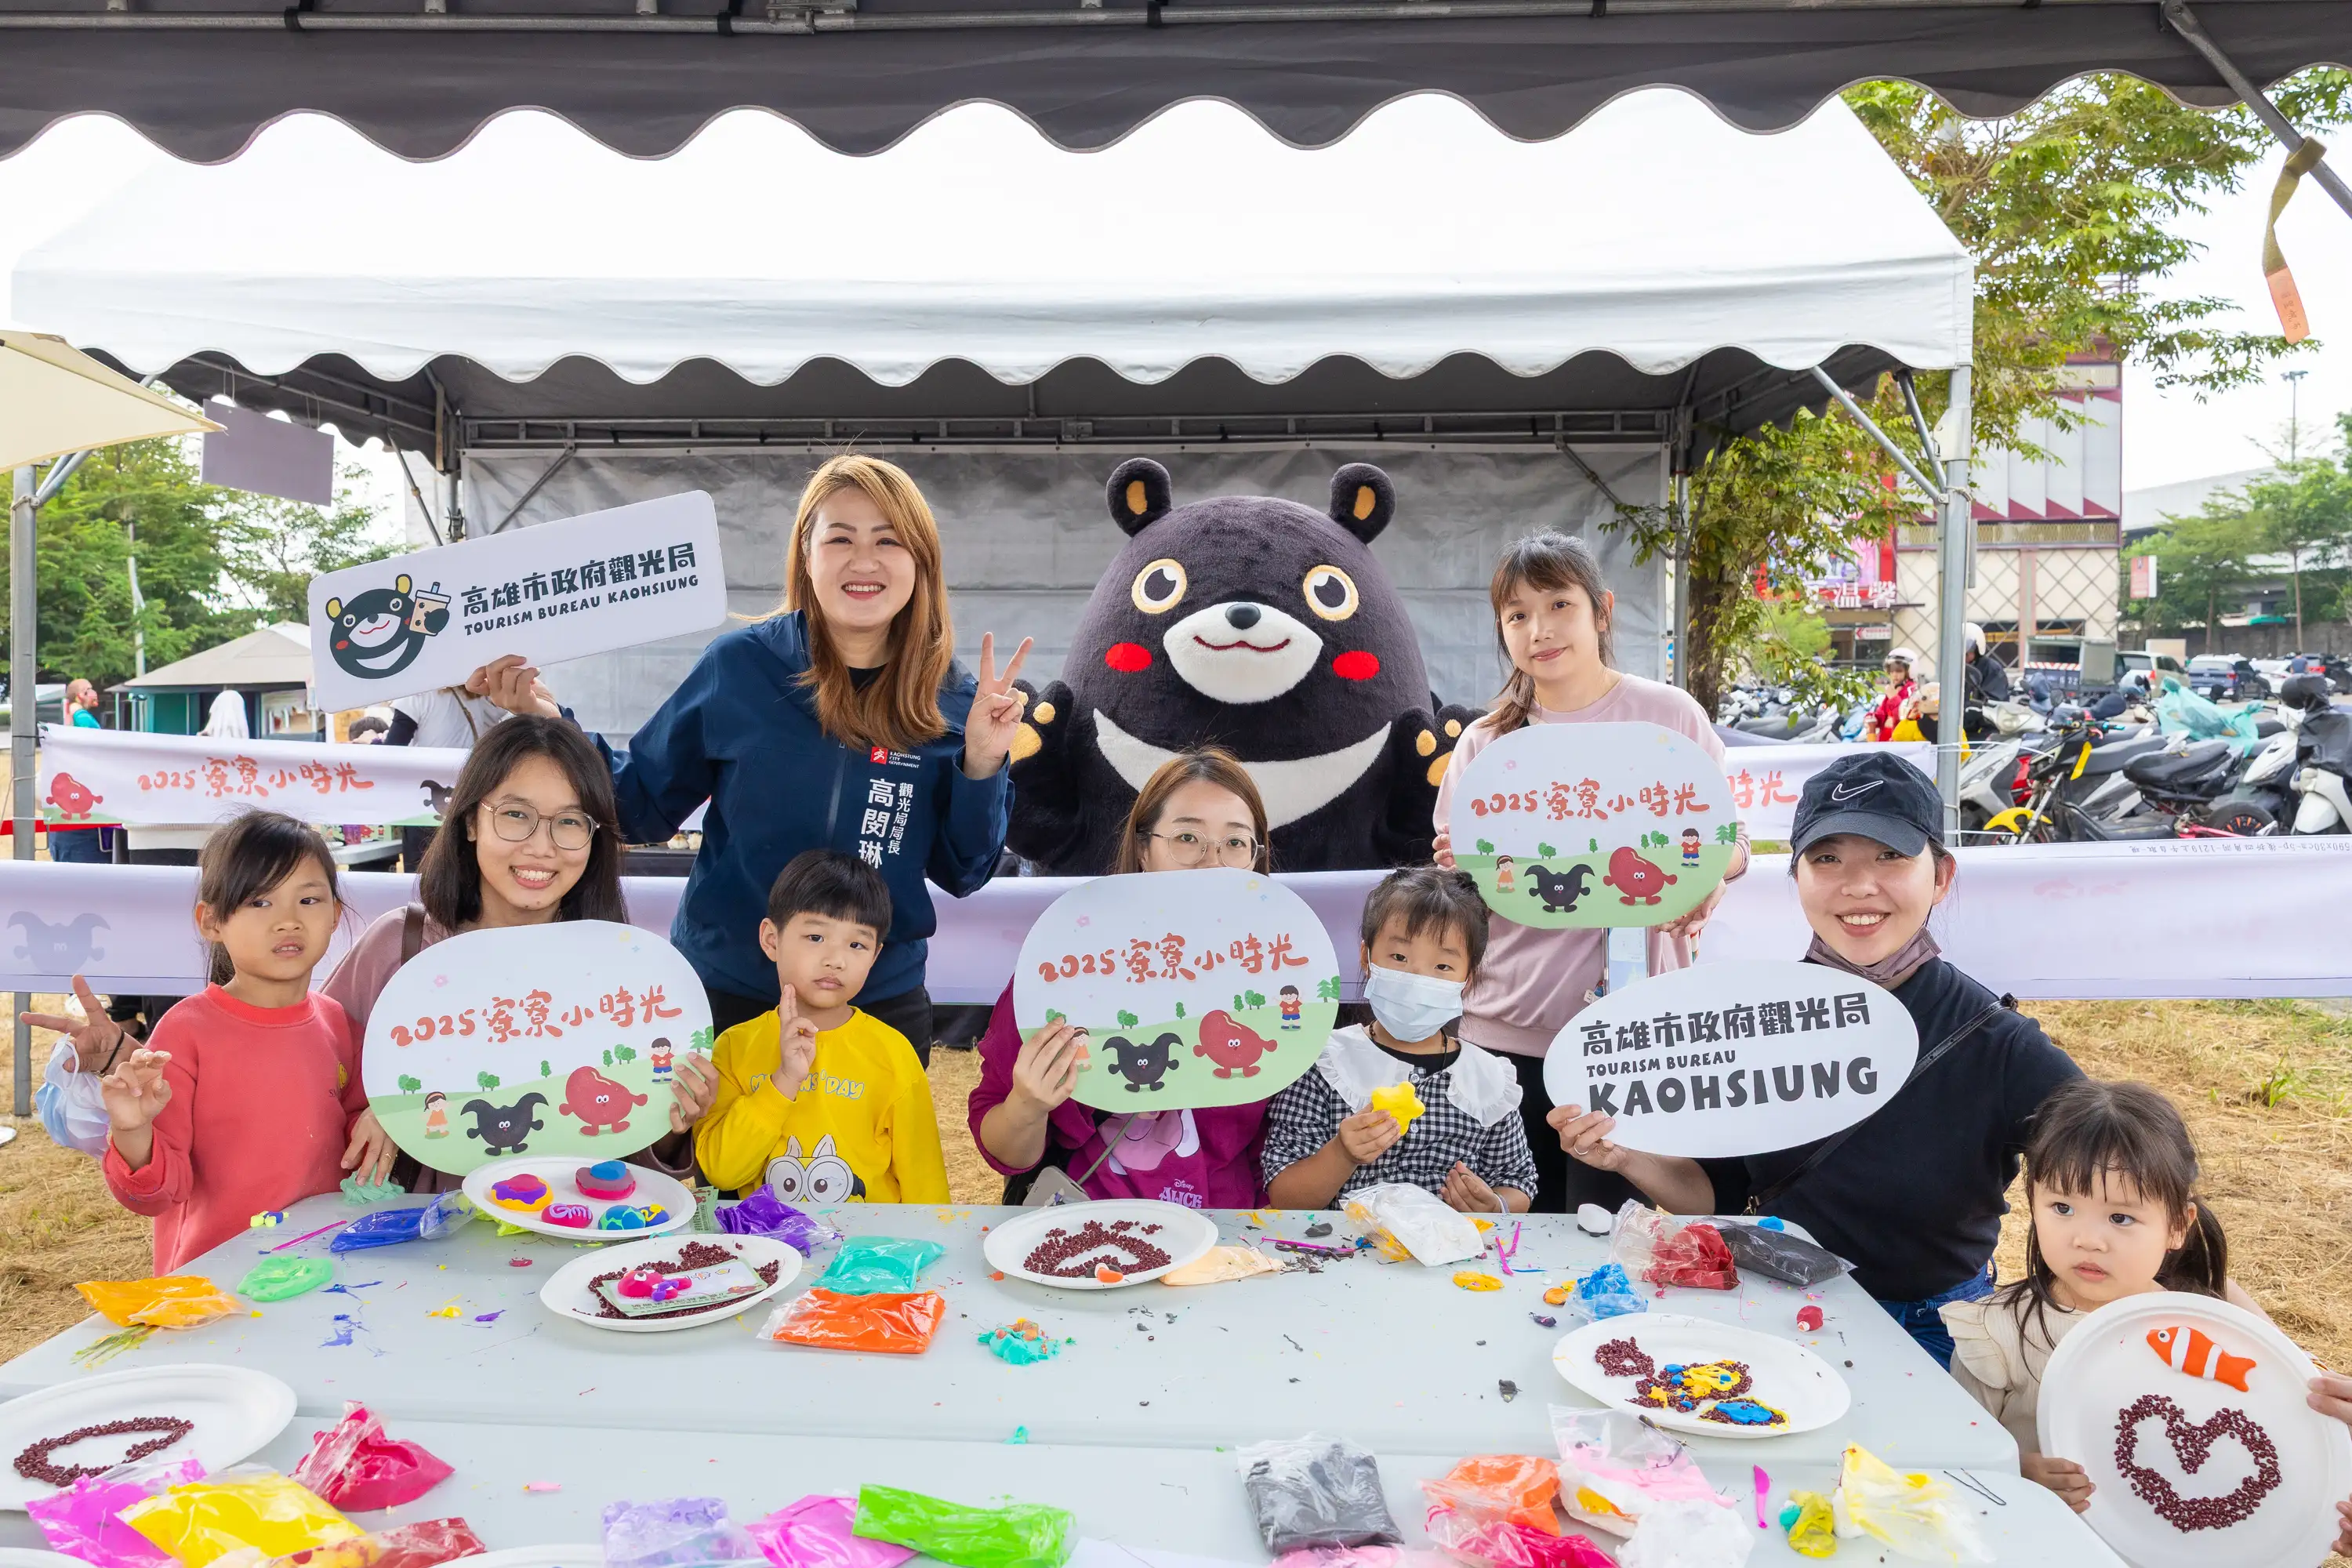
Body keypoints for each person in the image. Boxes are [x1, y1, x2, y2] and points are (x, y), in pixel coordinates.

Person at [467, 455, 1028, 1062]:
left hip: (874, 1006)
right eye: (839, 537)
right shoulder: (740, 666)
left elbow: (965, 872)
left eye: (888, 541)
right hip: (728, 993)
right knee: (721, 1158)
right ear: (805, 557)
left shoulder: (951, 698)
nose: (863, 561)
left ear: (920, 562)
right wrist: (553, 721)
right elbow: (640, 804)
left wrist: (981, 764)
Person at [1551, 750, 2082, 1368]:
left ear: (1941, 877)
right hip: (1769, 1306)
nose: (1859, 886)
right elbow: (1712, 1195)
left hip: (1931, 1334)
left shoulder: (1996, 1041)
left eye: (1890, 856)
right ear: (1797, 878)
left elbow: (2121, 1178)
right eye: (1827, 859)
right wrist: (1624, 1152)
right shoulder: (1752, 1021)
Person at [1430, 532, 1747, 1214]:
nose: (1539, 629)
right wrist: (1461, 877)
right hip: (1505, 1029)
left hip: (1632, 1036)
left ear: (1601, 611)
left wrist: (1713, 877)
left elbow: (1730, 839)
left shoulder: (1668, 717)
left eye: (1558, 605)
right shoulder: (1488, 742)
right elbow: (1459, 895)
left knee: (1607, 1231)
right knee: (1508, 1230)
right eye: (1517, 615)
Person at [324, 715, 717, 1191]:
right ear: (470, 821)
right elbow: (317, 1086)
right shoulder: (400, 947)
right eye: (516, 815)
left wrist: (675, 1124)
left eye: (570, 822)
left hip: (576, 1239)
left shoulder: (620, 975)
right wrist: (379, 1112)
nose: (541, 847)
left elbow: (630, 1155)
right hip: (430, 1247)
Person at [968, 747, 1275, 1207]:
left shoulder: (1280, 984)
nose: (1213, 863)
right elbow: (1005, 1148)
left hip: (1222, 1245)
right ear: (1143, 850)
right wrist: (1028, 1107)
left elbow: (1275, 1158)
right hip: (1085, 1229)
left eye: (1235, 843)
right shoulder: (1065, 967)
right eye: (1187, 838)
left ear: (1255, 859)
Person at [1940, 1079, 2265, 1509]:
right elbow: (1954, 1452)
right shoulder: (1995, 1334)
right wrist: (2016, 1469)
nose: (2088, 1240)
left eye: (2120, 1217)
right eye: (2063, 1209)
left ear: (2177, 1226)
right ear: (2033, 1200)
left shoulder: (2204, 1333)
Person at [82, 811, 380, 1272]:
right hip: (218, 1282)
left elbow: (359, 1128)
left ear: (335, 915)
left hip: (323, 1268)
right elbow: (158, 1193)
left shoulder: (337, 1023)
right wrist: (131, 1131)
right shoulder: (186, 1032)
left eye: (308, 899)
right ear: (211, 921)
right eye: (260, 902)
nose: (288, 922)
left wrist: (382, 1117)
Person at [1261, 866, 1534, 1214]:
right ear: (1366, 959)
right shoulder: (1323, 1062)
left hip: (1451, 1261)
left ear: (1467, 978)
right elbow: (1285, 1198)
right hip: (1343, 1257)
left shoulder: (1489, 1079)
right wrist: (1342, 1154)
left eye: (1443, 967)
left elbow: (1518, 1182)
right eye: (1400, 958)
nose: (1417, 978)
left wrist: (1494, 1205)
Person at [694, 850, 948, 1204]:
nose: (836, 959)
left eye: (857, 944)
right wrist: (783, 1080)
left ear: (875, 956)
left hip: (866, 1254)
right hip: (772, 1252)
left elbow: (926, 1184)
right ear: (771, 939)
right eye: (816, 937)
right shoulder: (735, 1047)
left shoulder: (893, 1053)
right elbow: (723, 1171)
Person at [1868, 648, 1918, 742]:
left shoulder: (1912, 690)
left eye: (1899, 671)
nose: (1895, 675)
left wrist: (1894, 698)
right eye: (1892, 671)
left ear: (1908, 672)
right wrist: (1872, 717)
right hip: (1885, 740)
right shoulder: (1893, 689)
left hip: (1900, 741)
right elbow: (1883, 713)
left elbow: (1904, 716)